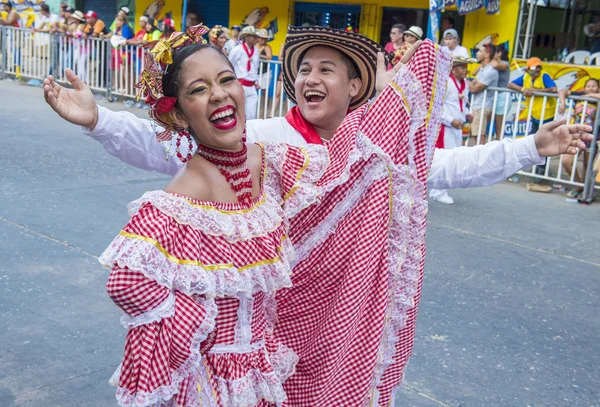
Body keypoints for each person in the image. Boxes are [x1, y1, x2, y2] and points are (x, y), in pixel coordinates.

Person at [43, 26, 592, 406]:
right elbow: (169, 148)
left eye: (327, 69)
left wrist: (530, 148)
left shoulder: (359, 156)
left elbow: (442, 167)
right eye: (304, 68)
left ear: (355, 88)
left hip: (319, 341)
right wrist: (99, 121)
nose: (311, 78)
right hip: (253, 357)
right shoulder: (265, 143)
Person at [430, 56, 473, 205]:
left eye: (466, 68)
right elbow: (436, 107)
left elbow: (463, 102)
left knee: (454, 157)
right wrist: (450, 120)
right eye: (462, 68)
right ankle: (438, 191)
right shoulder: (446, 83)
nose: (465, 71)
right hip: (446, 128)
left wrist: (468, 112)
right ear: (453, 70)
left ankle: (438, 189)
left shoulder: (464, 84)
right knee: (446, 159)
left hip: (457, 126)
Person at [558, 78, 600, 198]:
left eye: (594, 86)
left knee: (587, 164)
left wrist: (591, 95)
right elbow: (562, 91)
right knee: (566, 161)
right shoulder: (581, 95)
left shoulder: (595, 98)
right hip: (576, 135)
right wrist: (563, 103)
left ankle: (584, 189)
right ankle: (579, 185)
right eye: (588, 86)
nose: (590, 88)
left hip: (592, 136)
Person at [508, 56, 557, 134]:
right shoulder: (526, 76)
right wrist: (523, 89)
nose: (537, 69)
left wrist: (536, 91)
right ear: (528, 69)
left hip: (547, 114)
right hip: (534, 113)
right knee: (535, 136)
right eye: (535, 67)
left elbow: (554, 89)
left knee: (544, 136)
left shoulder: (544, 75)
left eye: (539, 67)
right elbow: (510, 84)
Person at [228, 25, 260, 120]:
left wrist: (257, 81)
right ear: (246, 37)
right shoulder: (237, 50)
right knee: (240, 113)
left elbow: (256, 67)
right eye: (253, 36)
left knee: (252, 114)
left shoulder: (256, 51)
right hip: (241, 85)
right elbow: (229, 65)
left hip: (252, 86)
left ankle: (249, 133)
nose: (256, 39)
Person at [469, 43, 499, 144]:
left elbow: (474, 89)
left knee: (479, 137)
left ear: (487, 54)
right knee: (475, 135)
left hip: (482, 107)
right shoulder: (483, 69)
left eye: (480, 51)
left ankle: (481, 158)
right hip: (477, 106)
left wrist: (464, 80)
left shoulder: (490, 71)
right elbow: (474, 83)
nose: (477, 53)